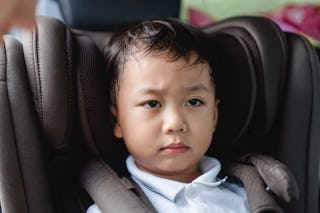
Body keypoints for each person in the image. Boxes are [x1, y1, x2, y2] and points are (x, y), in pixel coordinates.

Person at [87, 18, 249, 213]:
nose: (175, 123)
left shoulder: (246, 197)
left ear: (214, 115)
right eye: (152, 104)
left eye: (194, 102)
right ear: (117, 120)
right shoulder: (106, 210)